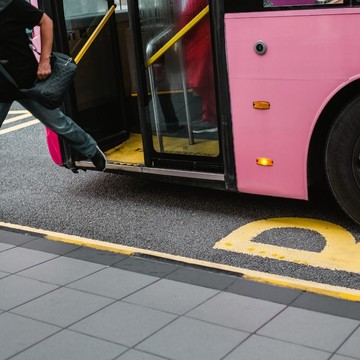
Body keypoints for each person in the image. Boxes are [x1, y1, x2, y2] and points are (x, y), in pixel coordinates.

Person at [0, 0, 107, 171]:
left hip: (28, 83)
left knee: (59, 123)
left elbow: (46, 21)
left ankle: (91, 150)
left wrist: (45, 60)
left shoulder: (10, 4)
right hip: (2, 87)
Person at [177, 0, 217, 134]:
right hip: (203, 39)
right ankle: (209, 117)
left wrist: (179, 36)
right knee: (207, 82)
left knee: (199, 82)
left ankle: (218, 116)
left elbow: (188, 14)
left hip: (201, 42)